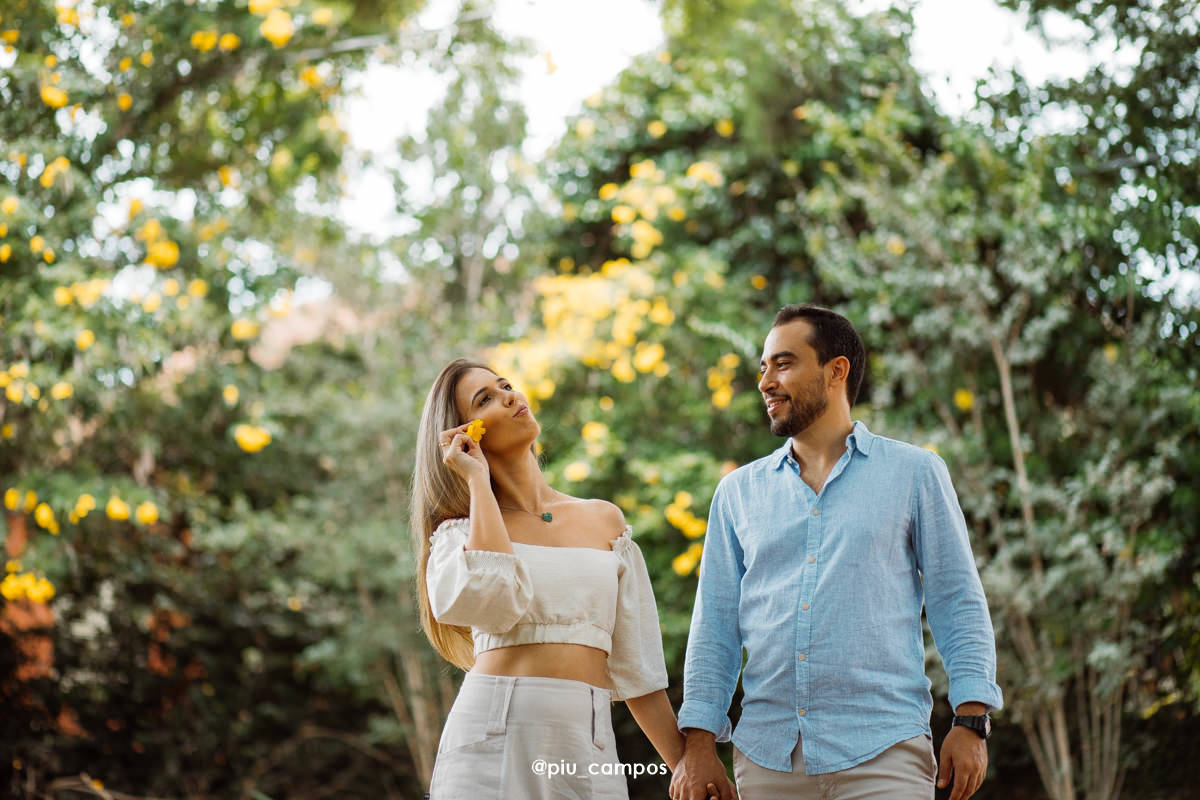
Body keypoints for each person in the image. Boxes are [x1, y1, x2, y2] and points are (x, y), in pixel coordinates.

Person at [670, 304, 1004, 800]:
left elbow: (957, 600)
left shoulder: (915, 474)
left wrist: (971, 718)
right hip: (768, 762)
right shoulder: (737, 493)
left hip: (885, 754)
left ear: (836, 371)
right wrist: (698, 744)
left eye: (783, 364)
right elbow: (714, 626)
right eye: (763, 368)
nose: (765, 382)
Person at [411, 358, 734, 799]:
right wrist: (478, 483)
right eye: (484, 399)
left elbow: (637, 670)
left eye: (505, 385)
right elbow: (494, 601)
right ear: (464, 434)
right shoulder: (460, 535)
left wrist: (690, 768)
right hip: (491, 741)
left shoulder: (604, 521)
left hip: (587, 744)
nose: (509, 396)